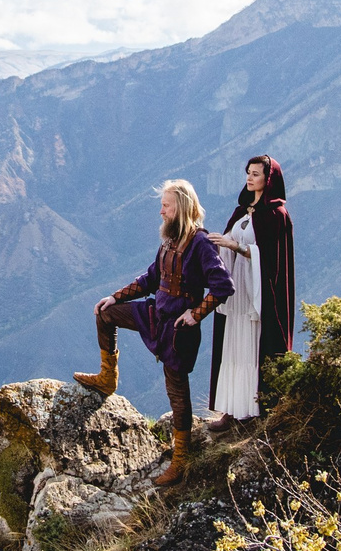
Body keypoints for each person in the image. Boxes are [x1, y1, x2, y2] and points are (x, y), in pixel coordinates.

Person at [73, 178, 234, 487]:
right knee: (105, 314)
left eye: (166, 206)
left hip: (178, 329)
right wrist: (116, 296)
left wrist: (196, 313)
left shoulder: (200, 244)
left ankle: (180, 459)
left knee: (177, 393)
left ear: (181, 208)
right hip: (154, 315)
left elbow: (223, 286)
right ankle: (107, 377)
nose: (161, 211)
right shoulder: (170, 239)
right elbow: (150, 277)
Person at [208, 155, 296, 422]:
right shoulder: (241, 212)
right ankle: (232, 408)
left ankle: (255, 408)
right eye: (248, 172)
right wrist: (217, 244)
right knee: (233, 344)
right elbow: (230, 240)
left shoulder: (276, 216)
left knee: (253, 346)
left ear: (268, 180)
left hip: (260, 294)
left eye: (256, 174)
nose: (249, 178)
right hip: (237, 291)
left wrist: (238, 248)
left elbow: (272, 259)